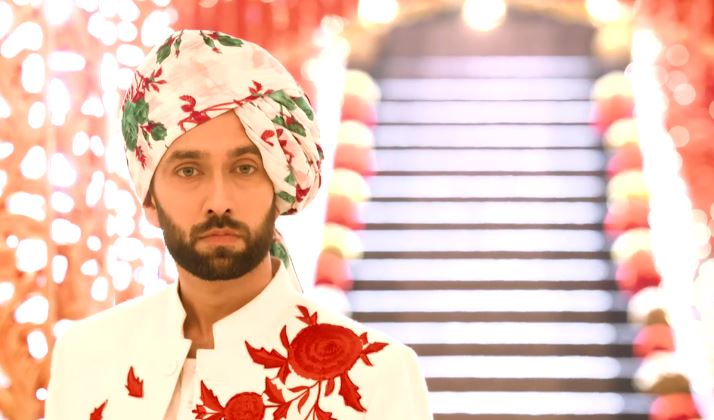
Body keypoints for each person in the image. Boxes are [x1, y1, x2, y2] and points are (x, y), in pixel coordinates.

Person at [44, 29, 432, 420]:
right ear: (150, 199)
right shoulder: (85, 358)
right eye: (189, 170)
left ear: (278, 186)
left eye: (244, 168)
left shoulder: (376, 377)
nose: (219, 202)